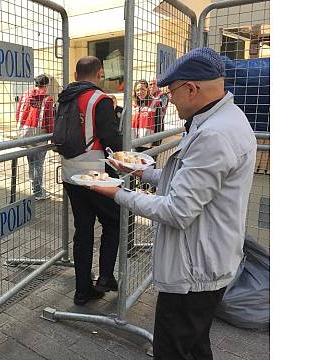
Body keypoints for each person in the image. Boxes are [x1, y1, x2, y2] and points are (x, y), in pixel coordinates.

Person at [89, 47, 257, 360]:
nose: (169, 99)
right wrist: (143, 171)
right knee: (194, 345)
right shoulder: (221, 119)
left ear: (191, 89)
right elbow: (189, 180)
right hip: (206, 259)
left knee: (173, 350)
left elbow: (177, 211)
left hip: (194, 270)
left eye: (172, 91)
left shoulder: (214, 134)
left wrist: (115, 193)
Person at [58, 56, 123, 305]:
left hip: (70, 174)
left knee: (83, 230)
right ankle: (105, 276)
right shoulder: (100, 99)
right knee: (114, 221)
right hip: (97, 173)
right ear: (100, 73)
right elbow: (111, 140)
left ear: (76, 75)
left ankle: (82, 290)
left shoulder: (64, 98)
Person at [16, 74, 55, 200]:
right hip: (40, 135)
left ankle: (34, 187)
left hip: (26, 133)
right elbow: (49, 120)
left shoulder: (25, 95)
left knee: (31, 162)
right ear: (46, 85)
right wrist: (52, 136)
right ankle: (38, 192)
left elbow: (18, 114)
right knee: (38, 164)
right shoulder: (47, 99)